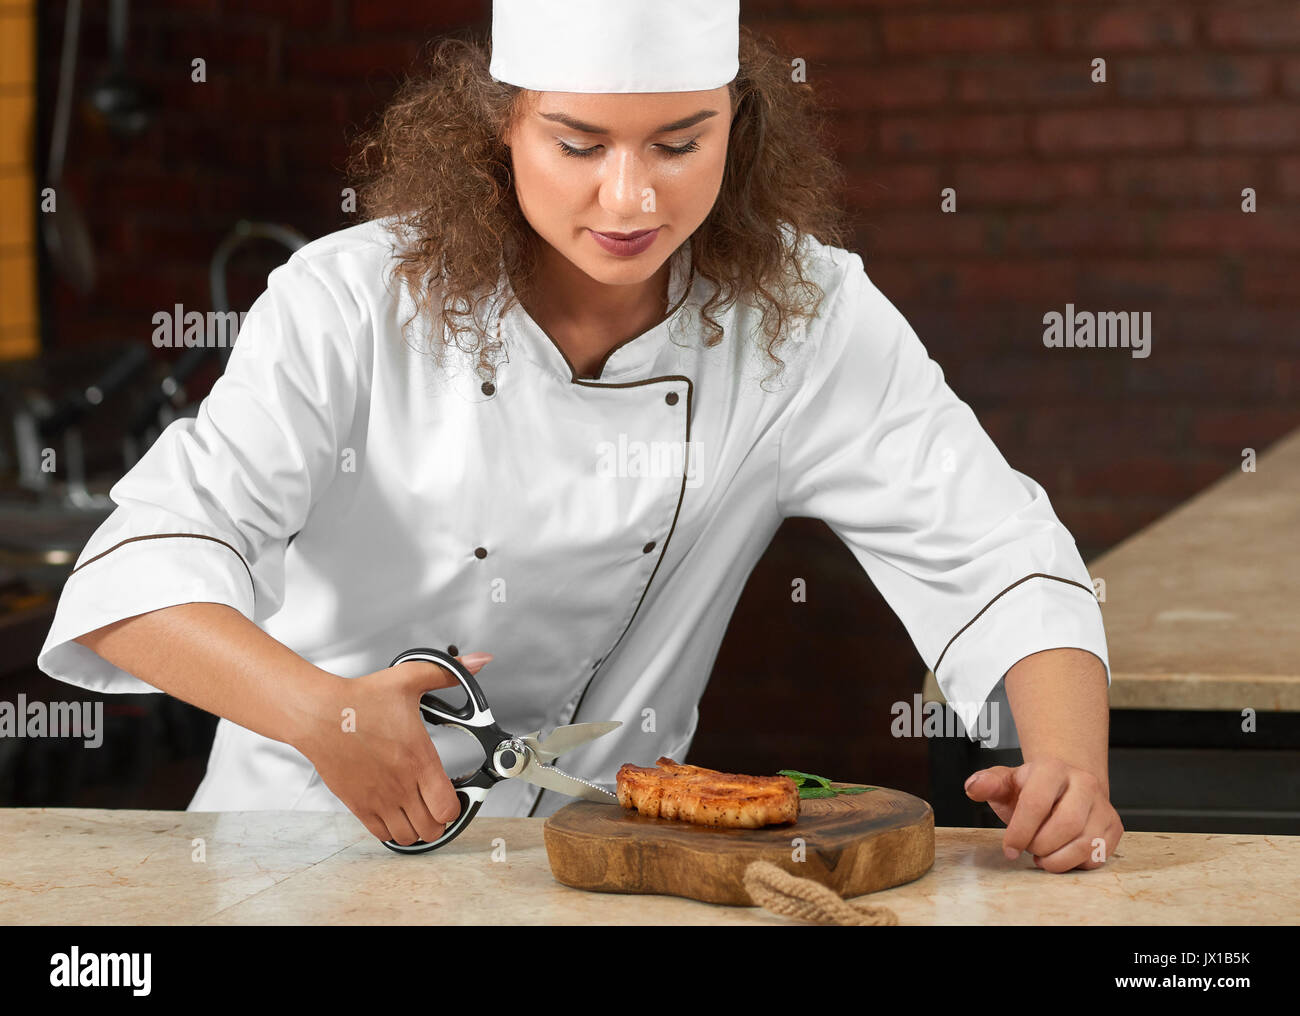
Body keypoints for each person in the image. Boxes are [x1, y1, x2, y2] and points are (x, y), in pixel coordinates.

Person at [38, 0, 1121, 872]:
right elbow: (140, 570)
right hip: (294, 854)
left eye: (680, 141)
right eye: (577, 142)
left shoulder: (806, 314)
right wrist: (318, 710)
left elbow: (996, 547)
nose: (629, 194)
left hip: (599, 869)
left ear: (738, 125)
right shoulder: (349, 302)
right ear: (499, 125)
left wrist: (1067, 759)